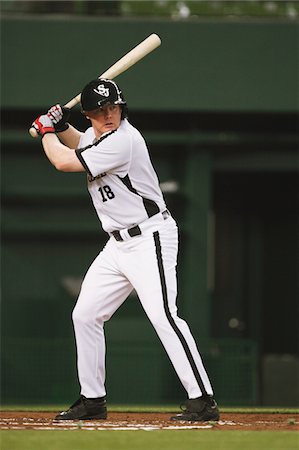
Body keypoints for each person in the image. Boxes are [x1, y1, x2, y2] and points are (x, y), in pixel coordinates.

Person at [31, 78, 220, 422]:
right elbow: (81, 142)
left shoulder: (124, 140)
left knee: (164, 316)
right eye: (100, 111)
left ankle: (203, 399)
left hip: (150, 237)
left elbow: (64, 162)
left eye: (112, 108)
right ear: (89, 114)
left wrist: (46, 131)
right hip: (117, 245)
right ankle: (92, 400)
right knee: (85, 315)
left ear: (121, 107)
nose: (108, 115)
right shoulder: (98, 135)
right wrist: (61, 126)